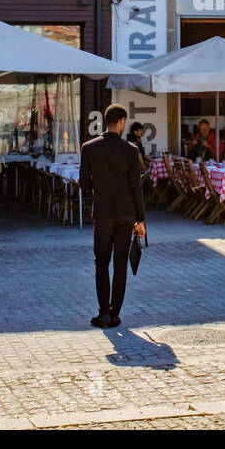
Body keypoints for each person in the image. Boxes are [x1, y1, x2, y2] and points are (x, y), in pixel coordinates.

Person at [79, 104, 146, 329]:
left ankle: (103, 312)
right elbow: (136, 188)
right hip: (127, 213)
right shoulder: (131, 150)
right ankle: (115, 312)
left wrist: (101, 184)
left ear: (105, 121)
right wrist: (141, 220)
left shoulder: (88, 148)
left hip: (104, 212)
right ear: (121, 122)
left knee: (101, 262)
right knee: (120, 264)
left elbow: (84, 184)